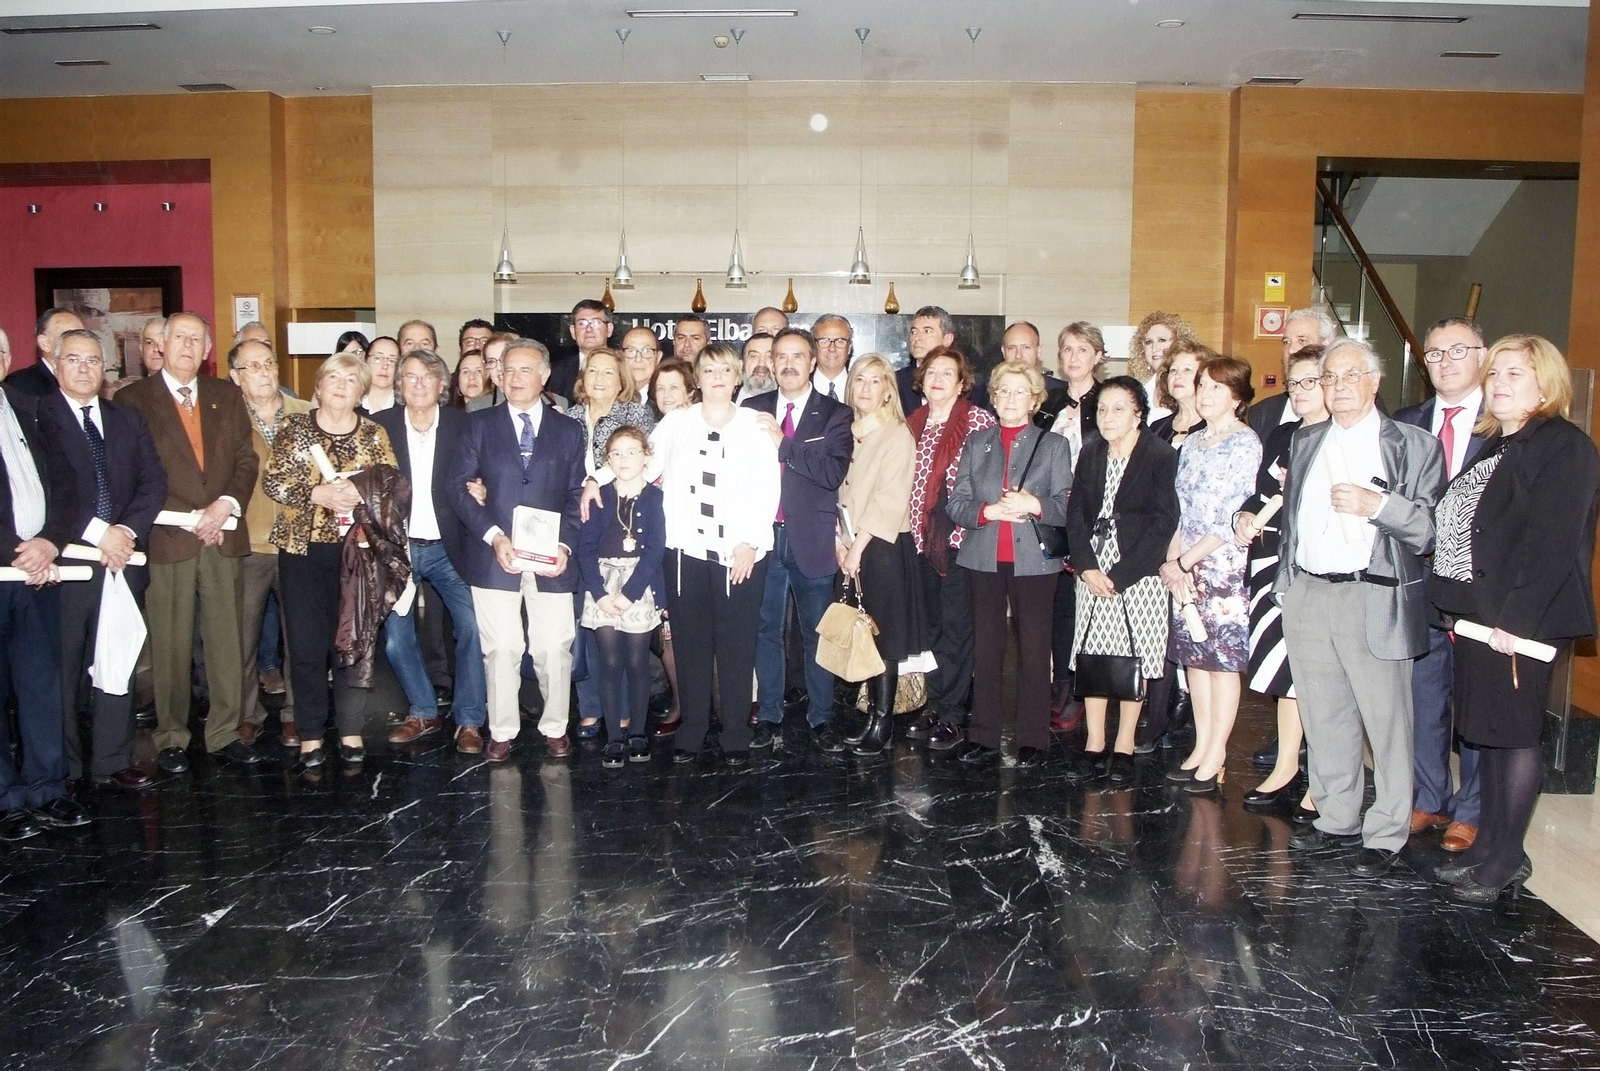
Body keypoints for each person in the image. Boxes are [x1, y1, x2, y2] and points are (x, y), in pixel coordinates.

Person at [1428, 334, 1598, 904]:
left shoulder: (1562, 446)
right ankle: (1488, 845)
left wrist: (1516, 620)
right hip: (1479, 616)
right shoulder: (1500, 443)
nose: (1499, 383)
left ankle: (1504, 856)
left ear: (1546, 384)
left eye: (1515, 374)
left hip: (1520, 619)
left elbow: (1553, 543)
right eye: (1495, 373)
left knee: (1515, 736)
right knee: (1487, 737)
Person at [1276, 338, 1445, 878]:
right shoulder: (1306, 442)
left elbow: (1430, 530)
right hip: (1308, 592)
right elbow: (1291, 523)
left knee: (1387, 719)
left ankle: (1389, 828)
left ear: (1375, 382)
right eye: (1329, 377)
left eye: (1351, 376)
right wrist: (1287, 583)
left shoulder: (1414, 445)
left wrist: (1380, 506)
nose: (1339, 385)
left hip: (1372, 593)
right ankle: (1337, 816)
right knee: (1324, 715)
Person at [118, 311, 261, 774]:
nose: (186, 345)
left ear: (206, 350)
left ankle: (223, 732)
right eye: (178, 337)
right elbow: (134, 471)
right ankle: (172, 736)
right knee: (171, 643)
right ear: (161, 345)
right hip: (166, 537)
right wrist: (187, 517)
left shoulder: (226, 395)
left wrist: (224, 507)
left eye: (196, 339)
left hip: (221, 532)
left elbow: (245, 460)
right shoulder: (133, 399)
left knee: (226, 641)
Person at [264, 352, 410, 771]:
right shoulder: (294, 429)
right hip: (302, 550)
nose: (341, 386)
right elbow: (273, 480)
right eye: (334, 377)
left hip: (358, 551)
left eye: (351, 380)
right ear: (319, 384)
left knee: (351, 642)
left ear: (362, 390)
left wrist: (361, 495)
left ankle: (350, 729)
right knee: (307, 644)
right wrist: (317, 494)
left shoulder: (374, 433)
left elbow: (393, 489)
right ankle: (310, 733)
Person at [37, 329, 166, 792]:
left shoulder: (126, 419)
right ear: (54, 363)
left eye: (94, 360)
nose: (85, 368)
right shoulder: (38, 418)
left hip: (123, 560)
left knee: (120, 657)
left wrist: (126, 533)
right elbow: (54, 491)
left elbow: (153, 483)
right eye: (74, 359)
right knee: (65, 668)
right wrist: (100, 535)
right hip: (69, 561)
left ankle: (112, 759)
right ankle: (68, 767)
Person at [450, 339, 587, 761]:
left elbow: (576, 493)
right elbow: (458, 488)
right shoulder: (477, 425)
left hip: (552, 559)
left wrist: (565, 543)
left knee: (552, 647)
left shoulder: (569, 429)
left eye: (525, 370)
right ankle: (503, 730)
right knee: (503, 647)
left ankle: (554, 727)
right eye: (508, 370)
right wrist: (495, 536)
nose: (515, 378)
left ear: (545, 376)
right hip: (496, 556)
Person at [649, 343, 780, 765]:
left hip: (738, 555)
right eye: (709, 369)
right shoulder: (676, 423)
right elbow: (641, 464)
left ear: (737, 376)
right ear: (698, 378)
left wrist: (750, 541)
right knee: (690, 646)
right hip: (685, 554)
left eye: (726, 369)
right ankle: (693, 730)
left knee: (737, 646)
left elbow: (767, 489)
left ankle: (736, 732)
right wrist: (599, 480)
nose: (718, 376)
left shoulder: (756, 425)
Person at [948, 359, 1073, 766]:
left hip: (1035, 563)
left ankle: (1033, 737)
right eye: (1003, 391)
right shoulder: (976, 442)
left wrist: (1035, 504)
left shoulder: (1054, 445)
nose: (1010, 399)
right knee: (986, 648)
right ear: (994, 396)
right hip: (982, 556)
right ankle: (983, 735)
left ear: (1035, 399)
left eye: (1020, 392)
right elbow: (957, 504)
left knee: (1035, 650)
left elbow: (1066, 505)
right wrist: (987, 512)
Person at [1396, 316, 1491, 853]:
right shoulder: (1407, 422)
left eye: (1458, 350)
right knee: (1423, 695)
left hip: (1479, 586)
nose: (1445, 361)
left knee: (1475, 700)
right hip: (1418, 582)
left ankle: (1472, 810)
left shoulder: (1504, 423)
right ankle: (1429, 796)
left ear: (1482, 355)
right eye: (1434, 354)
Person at [1064, 376, 1179, 786]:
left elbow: (1165, 520)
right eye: (1103, 409)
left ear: (1139, 415)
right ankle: (1095, 741)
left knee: (1134, 657)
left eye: (1119, 409)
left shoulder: (1160, 455)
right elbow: (1075, 514)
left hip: (1137, 573)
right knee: (1094, 654)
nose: (1108, 417)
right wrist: (1088, 567)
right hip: (1092, 568)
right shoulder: (1092, 453)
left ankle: (1126, 743)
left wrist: (1122, 575)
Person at [744, 328, 853, 751]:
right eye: (780, 357)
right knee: (765, 629)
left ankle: (821, 717)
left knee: (816, 632)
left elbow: (831, 474)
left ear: (812, 362)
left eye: (797, 356)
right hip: (763, 539)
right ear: (771, 362)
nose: (788, 364)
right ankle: (769, 714)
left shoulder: (835, 415)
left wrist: (784, 444)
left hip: (812, 538)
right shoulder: (751, 410)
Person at [373, 350, 487, 752]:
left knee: (472, 628)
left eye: (427, 377)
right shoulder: (379, 426)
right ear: (399, 385)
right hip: (397, 550)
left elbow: (485, 472)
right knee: (395, 639)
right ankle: (422, 709)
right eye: (409, 377)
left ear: (442, 385)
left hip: (448, 546)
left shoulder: (464, 425)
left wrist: (483, 488)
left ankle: (470, 720)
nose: (418, 384)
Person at [1160, 355, 1259, 795]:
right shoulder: (1191, 444)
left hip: (1222, 566)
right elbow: (1177, 510)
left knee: (1221, 663)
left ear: (1237, 398)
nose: (1204, 394)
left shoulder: (1245, 443)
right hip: (1185, 563)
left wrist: (1186, 562)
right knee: (1194, 661)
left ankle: (1218, 751)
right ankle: (1200, 746)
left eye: (1216, 387)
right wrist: (1173, 559)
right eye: (1202, 385)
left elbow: (1228, 517)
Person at [1234, 347, 1326, 815]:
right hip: (1272, 562)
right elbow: (1261, 492)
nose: (1301, 390)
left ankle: (1323, 780)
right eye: (1295, 382)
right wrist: (1244, 515)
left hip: (1317, 568)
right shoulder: (1285, 433)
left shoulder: (1341, 437)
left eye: (1312, 380)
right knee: (1285, 674)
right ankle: (1286, 764)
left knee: (1320, 677)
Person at [0, 343, 85, 839]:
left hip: (39, 574)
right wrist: (15, 550)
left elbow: (68, 488)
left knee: (41, 686)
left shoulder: (32, 410)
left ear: (8, 360)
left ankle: (48, 789)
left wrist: (50, 542)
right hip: (7, 570)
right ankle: (5, 799)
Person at [903, 346, 996, 753]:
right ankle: (936, 703)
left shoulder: (977, 420)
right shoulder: (913, 422)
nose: (937, 378)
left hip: (963, 542)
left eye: (948, 373)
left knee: (959, 630)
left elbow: (987, 482)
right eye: (931, 371)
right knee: (932, 628)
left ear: (962, 383)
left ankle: (955, 713)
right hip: (920, 541)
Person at [834, 353, 921, 757]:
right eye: (860, 380)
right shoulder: (850, 432)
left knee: (882, 636)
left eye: (875, 381)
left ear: (889, 390)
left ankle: (883, 721)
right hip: (851, 545)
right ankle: (869, 713)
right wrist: (840, 543)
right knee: (860, 632)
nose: (866, 388)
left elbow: (890, 500)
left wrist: (856, 549)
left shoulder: (897, 434)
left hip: (881, 547)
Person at [567, 349, 655, 739]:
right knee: (589, 630)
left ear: (622, 379)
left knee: (626, 650)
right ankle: (591, 708)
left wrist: (593, 481)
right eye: (592, 370)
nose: (599, 378)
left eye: (608, 372)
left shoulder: (634, 415)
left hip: (618, 523)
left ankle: (623, 716)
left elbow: (627, 457)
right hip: (576, 527)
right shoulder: (567, 418)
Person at [231, 337, 310, 747]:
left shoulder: (307, 414)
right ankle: (247, 713)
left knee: (299, 635)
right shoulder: (225, 419)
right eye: (252, 366)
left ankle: (296, 713)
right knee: (242, 637)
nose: (263, 373)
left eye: (269, 363)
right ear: (235, 377)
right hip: (249, 542)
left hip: (300, 541)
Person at [578, 426, 666, 768]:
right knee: (610, 664)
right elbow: (586, 548)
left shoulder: (655, 497)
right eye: (616, 453)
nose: (624, 459)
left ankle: (638, 732)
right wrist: (599, 594)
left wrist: (630, 594)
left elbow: (656, 549)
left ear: (646, 455)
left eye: (632, 451)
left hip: (638, 587)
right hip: (602, 586)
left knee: (637, 662)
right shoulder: (598, 495)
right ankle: (614, 736)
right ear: (607, 460)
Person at [1036, 321, 1107, 731]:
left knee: (1089, 609)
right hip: (1054, 516)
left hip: (1096, 517)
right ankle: (1061, 684)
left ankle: (1082, 688)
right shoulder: (1050, 403)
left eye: (1083, 349)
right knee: (1060, 608)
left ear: (1098, 355)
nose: (1074, 357)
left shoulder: (1109, 400)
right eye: (1067, 350)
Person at [1248, 307, 1342, 439]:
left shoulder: (1349, 407)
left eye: (1302, 340)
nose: (1291, 350)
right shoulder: (1262, 412)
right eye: (1286, 342)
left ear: (1326, 345)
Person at [1127, 311, 1199, 425]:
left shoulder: (1193, 385)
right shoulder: (1138, 392)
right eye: (1149, 342)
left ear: (1179, 343)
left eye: (1162, 340)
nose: (1155, 348)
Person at [8, 307, 86, 398]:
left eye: (82, 335)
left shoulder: (87, 379)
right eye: (69, 335)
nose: (80, 342)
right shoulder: (20, 384)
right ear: (44, 343)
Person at [549, 299, 616, 402]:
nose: (589, 329)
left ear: (609, 329)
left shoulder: (624, 368)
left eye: (596, 322)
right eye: (582, 323)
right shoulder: (555, 373)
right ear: (573, 331)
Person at [1148, 340, 1211, 445]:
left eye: (1187, 370)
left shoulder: (1213, 428)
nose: (1177, 375)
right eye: (1173, 370)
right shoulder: (1157, 427)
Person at [896, 306, 956, 410]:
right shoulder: (895, 382)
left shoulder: (966, 383)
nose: (917, 338)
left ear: (947, 339)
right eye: (913, 332)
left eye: (927, 331)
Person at [1002, 321, 1064, 392]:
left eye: (1026, 347)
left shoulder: (1059, 393)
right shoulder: (988, 393)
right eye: (1012, 348)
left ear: (1038, 351)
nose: (1018, 355)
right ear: (1003, 352)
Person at [811, 314, 853, 401]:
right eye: (824, 341)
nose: (832, 348)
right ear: (813, 347)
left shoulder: (862, 388)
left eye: (840, 341)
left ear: (849, 348)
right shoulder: (798, 387)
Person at [620, 326, 663, 399]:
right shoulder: (609, 395)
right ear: (621, 356)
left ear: (658, 357)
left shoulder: (667, 397)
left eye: (646, 351)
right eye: (631, 351)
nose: (638, 359)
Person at [363, 335, 400, 413]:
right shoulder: (351, 404)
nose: (385, 366)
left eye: (392, 360)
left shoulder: (405, 408)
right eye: (378, 358)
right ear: (365, 361)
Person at [736, 332, 777, 403]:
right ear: (742, 364)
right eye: (754, 356)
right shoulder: (724, 399)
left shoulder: (789, 404)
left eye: (769, 357)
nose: (761, 363)